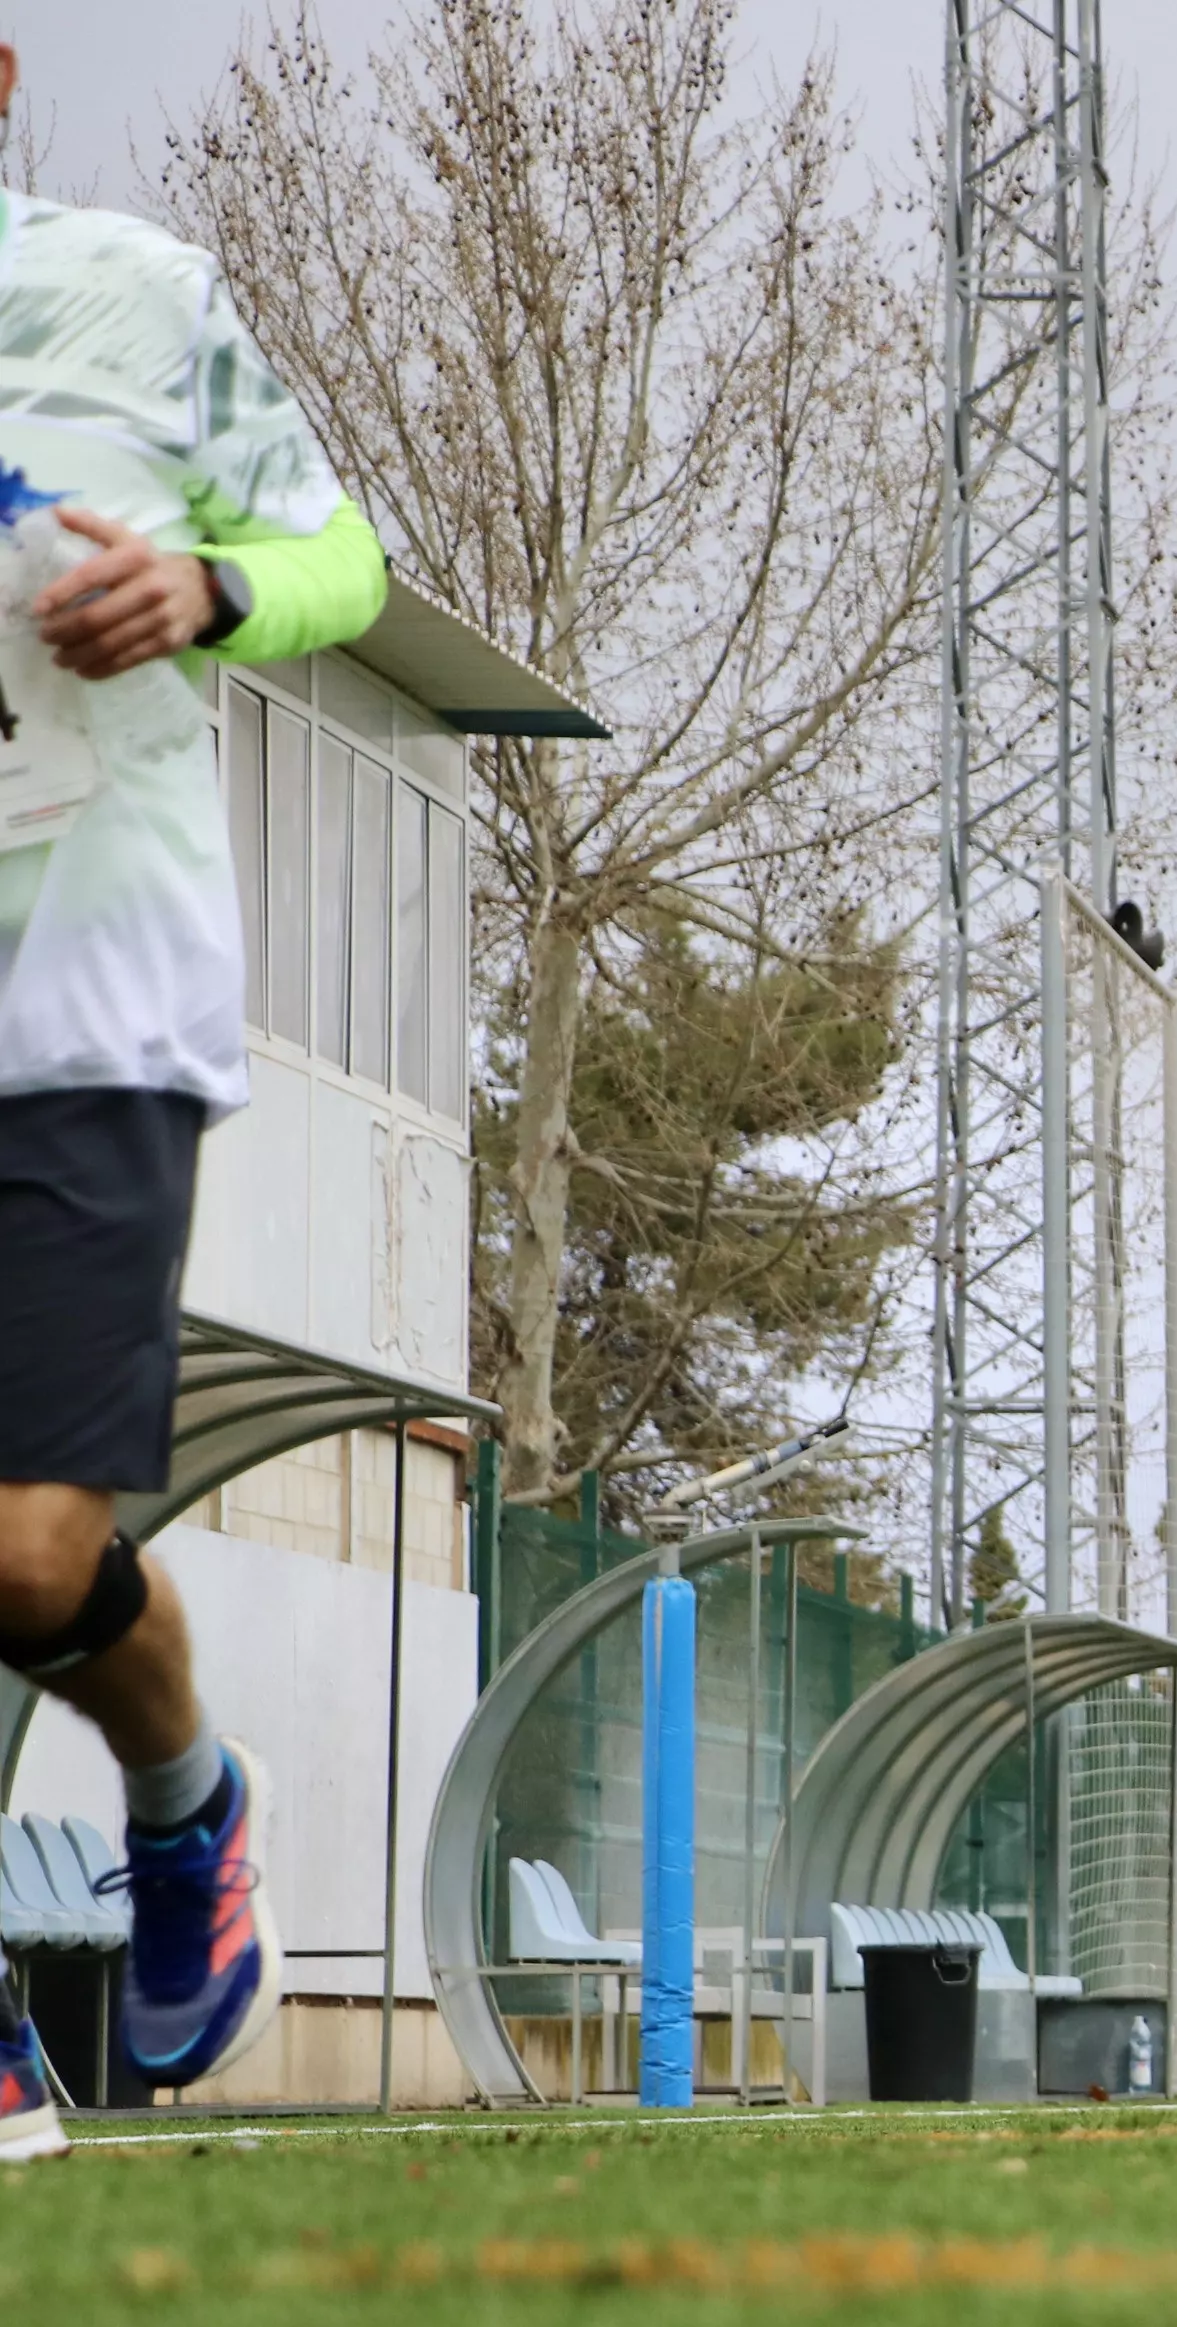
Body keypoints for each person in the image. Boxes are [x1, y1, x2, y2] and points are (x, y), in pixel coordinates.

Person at [0, 96, 396, 2159]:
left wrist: (202, 591)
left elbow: (344, 555)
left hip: (92, 987)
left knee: (26, 1550)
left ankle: (183, 1795)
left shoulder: (135, 299)